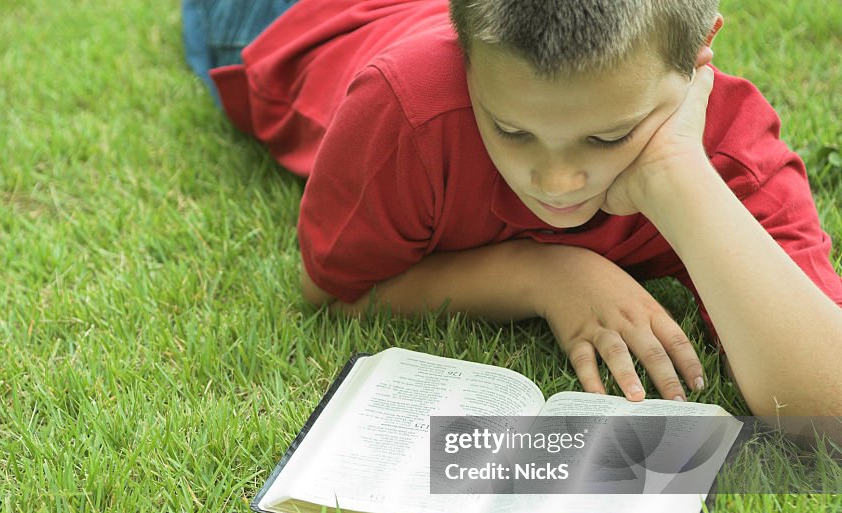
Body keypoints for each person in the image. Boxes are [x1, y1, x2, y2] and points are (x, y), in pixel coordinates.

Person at [183, 0, 842, 428]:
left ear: (700, 54)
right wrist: (541, 274)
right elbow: (333, 292)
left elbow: (827, 411)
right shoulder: (408, 109)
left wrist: (679, 174)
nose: (556, 182)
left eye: (609, 137)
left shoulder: (731, 148)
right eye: (511, 129)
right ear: (464, 55)